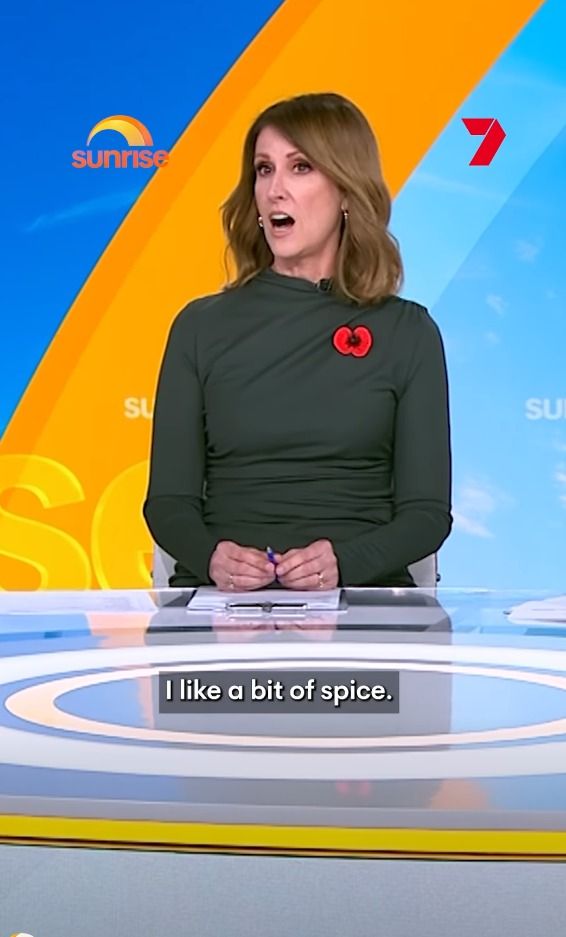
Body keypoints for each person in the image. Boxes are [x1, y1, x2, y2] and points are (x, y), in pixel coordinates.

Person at [143, 92, 452, 592]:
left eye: (301, 167)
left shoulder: (408, 333)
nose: (275, 190)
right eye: (264, 170)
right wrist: (213, 558)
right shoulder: (200, 327)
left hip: (361, 598)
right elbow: (168, 504)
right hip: (222, 600)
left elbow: (426, 515)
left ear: (347, 191)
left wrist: (344, 563)